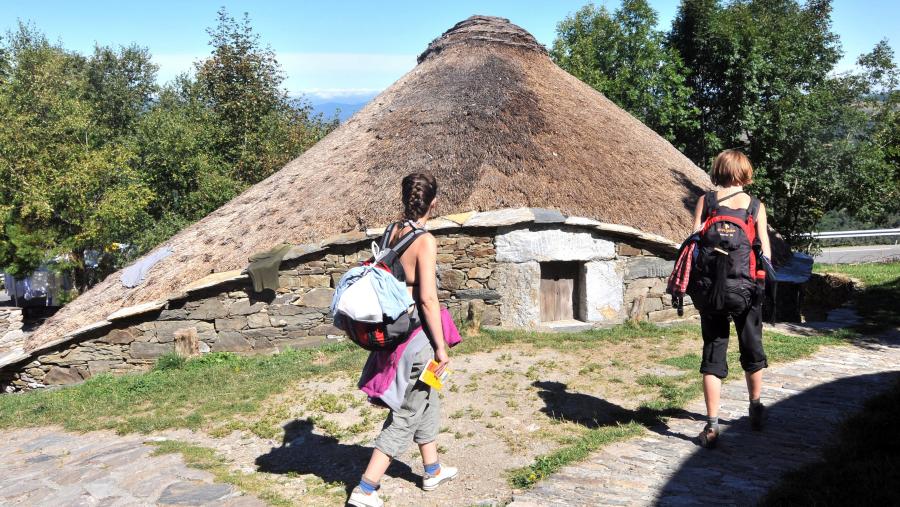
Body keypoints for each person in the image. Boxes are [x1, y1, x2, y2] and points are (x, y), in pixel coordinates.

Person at [348, 173, 457, 507]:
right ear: (434, 202)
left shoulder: (391, 231)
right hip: (417, 336)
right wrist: (440, 347)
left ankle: (432, 469)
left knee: (427, 396)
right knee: (407, 412)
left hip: (395, 332)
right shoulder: (425, 240)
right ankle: (366, 489)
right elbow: (427, 300)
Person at [690, 150, 771, 449]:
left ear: (718, 170)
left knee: (713, 351)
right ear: (745, 173)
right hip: (745, 291)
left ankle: (711, 426)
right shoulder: (755, 206)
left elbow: (694, 244)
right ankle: (755, 407)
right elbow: (765, 252)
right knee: (751, 345)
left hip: (712, 291)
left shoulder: (706, 201)